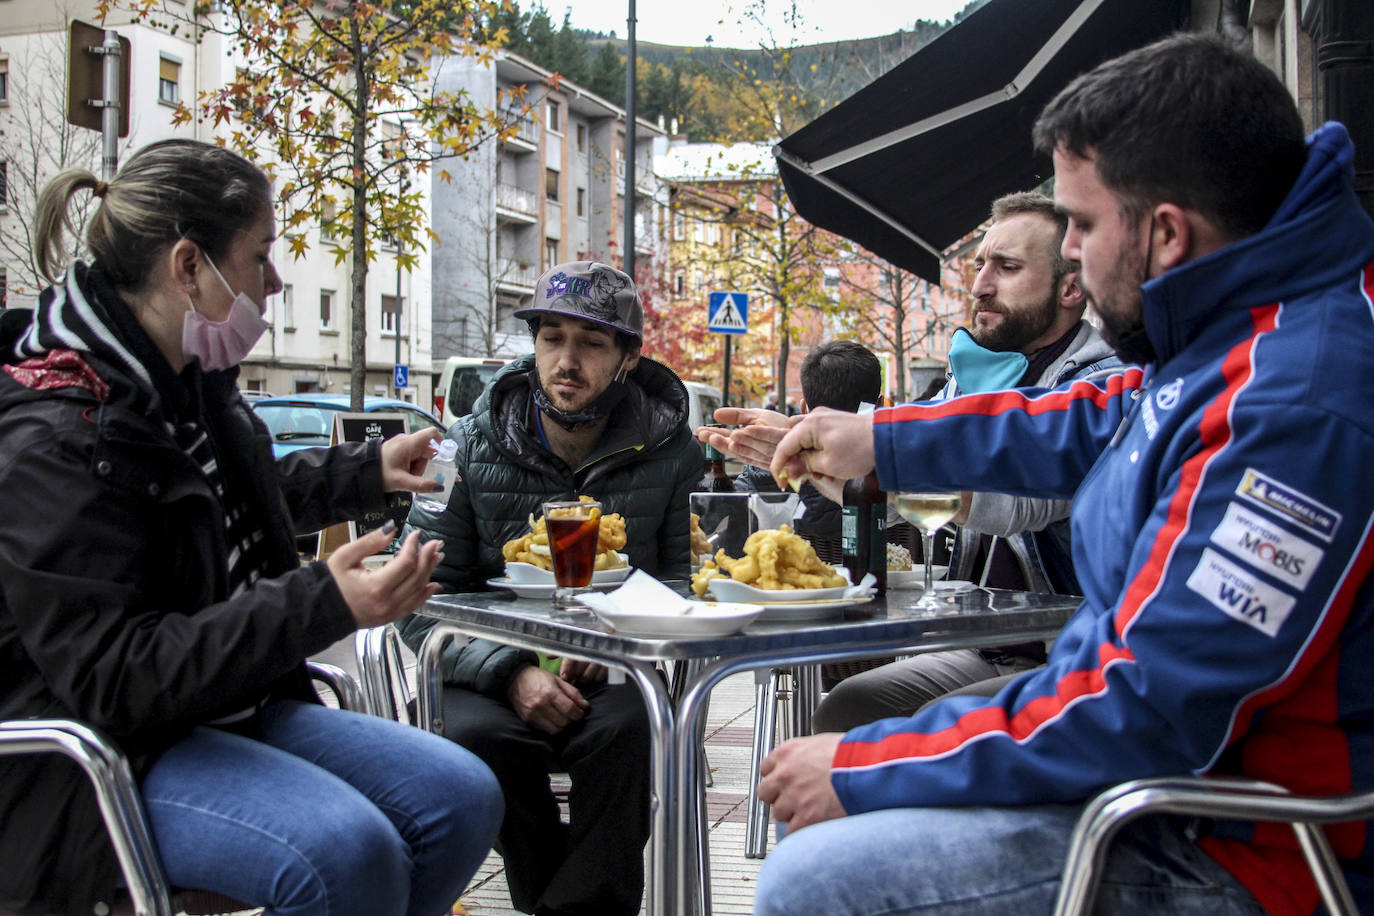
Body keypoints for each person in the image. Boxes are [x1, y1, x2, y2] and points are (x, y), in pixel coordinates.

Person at [711, 33, 1374, 914]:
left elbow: (1149, 706)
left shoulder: (1298, 407)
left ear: (1167, 234)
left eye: (1086, 229)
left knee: (813, 879)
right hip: (1172, 788)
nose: (1079, 267)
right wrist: (878, 441)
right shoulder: (1238, 338)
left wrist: (872, 768)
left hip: (1245, 846)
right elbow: (1089, 418)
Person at [0, 139, 503, 916]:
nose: (275, 281)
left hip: (224, 706)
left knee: (460, 797)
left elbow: (222, 501)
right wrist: (322, 602)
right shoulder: (61, 436)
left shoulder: (184, 383)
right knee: (345, 853)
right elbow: (115, 676)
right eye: (261, 256)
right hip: (105, 755)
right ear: (189, 267)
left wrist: (361, 472)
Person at [397, 260, 702, 916]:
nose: (567, 360)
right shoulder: (465, 444)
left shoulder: (672, 448)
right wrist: (510, 673)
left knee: (629, 740)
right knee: (482, 744)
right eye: (551, 338)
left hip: (615, 669)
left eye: (591, 343)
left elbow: (680, 581)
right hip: (484, 671)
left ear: (626, 358)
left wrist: (621, 640)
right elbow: (417, 590)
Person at [810, 191, 1122, 732]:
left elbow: (1016, 503)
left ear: (1071, 286)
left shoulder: (1099, 385)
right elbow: (902, 499)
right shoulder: (974, 379)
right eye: (980, 265)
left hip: (1066, 648)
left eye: (1007, 267)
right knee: (847, 703)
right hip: (983, 642)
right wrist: (825, 464)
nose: (980, 285)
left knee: (929, 725)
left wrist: (881, 462)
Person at [732, 340, 884, 552]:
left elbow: (732, 523)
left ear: (803, 407)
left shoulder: (760, 469)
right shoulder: (891, 471)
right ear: (880, 406)